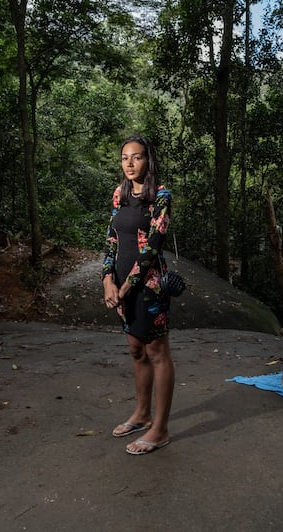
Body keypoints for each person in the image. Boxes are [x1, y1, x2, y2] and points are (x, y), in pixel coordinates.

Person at [102, 136, 174, 455]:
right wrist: (107, 280)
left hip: (148, 286)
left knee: (156, 351)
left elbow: (152, 248)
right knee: (135, 349)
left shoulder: (161, 196)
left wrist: (126, 287)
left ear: (149, 160)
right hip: (119, 283)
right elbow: (111, 239)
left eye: (137, 158)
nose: (130, 164)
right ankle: (142, 414)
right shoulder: (119, 194)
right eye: (124, 158)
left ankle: (160, 429)